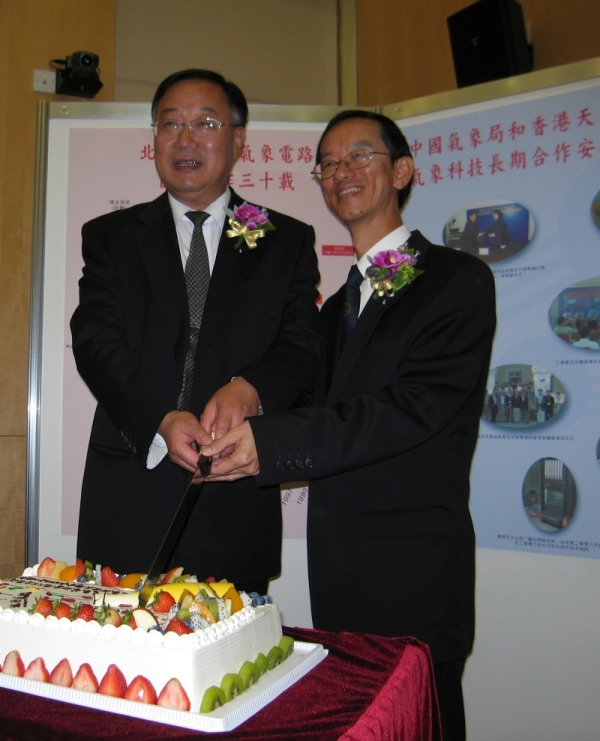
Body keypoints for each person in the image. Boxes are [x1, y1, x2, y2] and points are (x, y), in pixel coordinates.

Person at [201, 110, 496, 741]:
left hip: (414, 577)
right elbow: (309, 406)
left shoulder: (455, 279)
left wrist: (272, 442)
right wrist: (236, 406)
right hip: (339, 580)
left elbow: (410, 408)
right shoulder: (338, 306)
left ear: (403, 171)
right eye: (329, 163)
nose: (342, 172)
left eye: (360, 156)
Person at [70, 69, 322, 594]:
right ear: (154, 139)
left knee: (230, 673)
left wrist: (249, 388)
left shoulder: (284, 239)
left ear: (237, 140)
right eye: (170, 124)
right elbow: (96, 342)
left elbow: (302, 345)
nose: (185, 140)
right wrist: (160, 419)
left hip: (234, 501)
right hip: (127, 501)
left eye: (206, 123)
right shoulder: (112, 237)